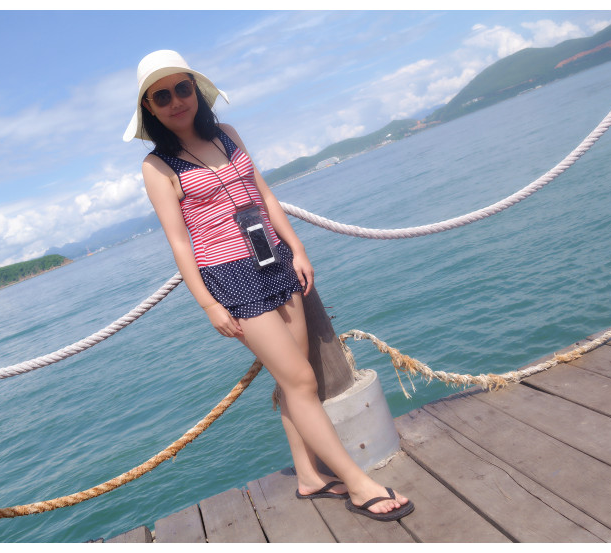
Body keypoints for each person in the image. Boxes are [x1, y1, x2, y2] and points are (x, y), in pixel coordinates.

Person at [126, 50, 409, 521]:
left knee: (295, 378)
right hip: (231, 276)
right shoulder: (158, 167)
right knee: (300, 380)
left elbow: (264, 194)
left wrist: (296, 248)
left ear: (196, 89)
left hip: (274, 257)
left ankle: (309, 476)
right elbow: (179, 242)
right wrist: (208, 304)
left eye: (183, 88)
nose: (176, 101)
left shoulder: (227, 134)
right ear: (149, 108)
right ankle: (359, 483)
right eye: (162, 96)